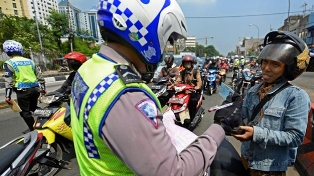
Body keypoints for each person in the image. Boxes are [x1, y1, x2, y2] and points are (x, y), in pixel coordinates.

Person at [70, 0, 225, 175]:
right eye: (168, 39)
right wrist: (219, 129)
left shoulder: (89, 69)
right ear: (148, 30)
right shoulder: (125, 94)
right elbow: (173, 172)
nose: (166, 48)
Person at [233, 31, 311, 176]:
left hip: (269, 170)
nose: (266, 68)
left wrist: (256, 133)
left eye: (275, 64)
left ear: (288, 68)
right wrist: (231, 116)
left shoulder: (296, 96)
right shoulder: (254, 90)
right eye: (265, 61)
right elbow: (245, 119)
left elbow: (295, 137)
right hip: (246, 160)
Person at [2, 40, 46, 132]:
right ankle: (47, 115)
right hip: (35, 90)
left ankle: (34, 130)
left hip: (23, 91)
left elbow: (8, 81)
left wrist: (8, 96)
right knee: (33, 108)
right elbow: (40, 76)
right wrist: (43, 89)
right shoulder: (30, 61)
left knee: (25, 112)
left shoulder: (9, 63)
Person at [174, 55, 202, 125]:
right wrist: (173, 85)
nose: (187, 65)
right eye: (186, 63)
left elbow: (199, 83)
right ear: (183, 64)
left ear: (192, 63)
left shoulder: (196, 72)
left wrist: (196, 87)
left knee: (193, 101)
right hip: (184, 91)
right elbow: (178, 81)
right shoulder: (182, 72)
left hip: (193, 91)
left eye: (188, 63)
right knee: (173, 98)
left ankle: (191, 119)